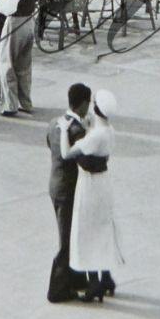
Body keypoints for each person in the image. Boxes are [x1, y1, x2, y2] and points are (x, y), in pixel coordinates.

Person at [62, 87, 122, 301]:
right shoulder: (108, 130)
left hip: (90, 184)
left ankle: (94, 283)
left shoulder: (95, 135)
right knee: (102, 230)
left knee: (87, 231)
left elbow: (68, 153)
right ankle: (106, 277)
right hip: (104, 183)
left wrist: (63, 130)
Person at [46, 84, 92, 303]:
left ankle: (75, 279)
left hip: (55, 185)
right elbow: (85, 161)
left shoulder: (54, 122)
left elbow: (50, 145)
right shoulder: (78, 131)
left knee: (69, 234)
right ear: (82, 103)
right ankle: (57, 289)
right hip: (68, 190)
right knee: (67, 240)